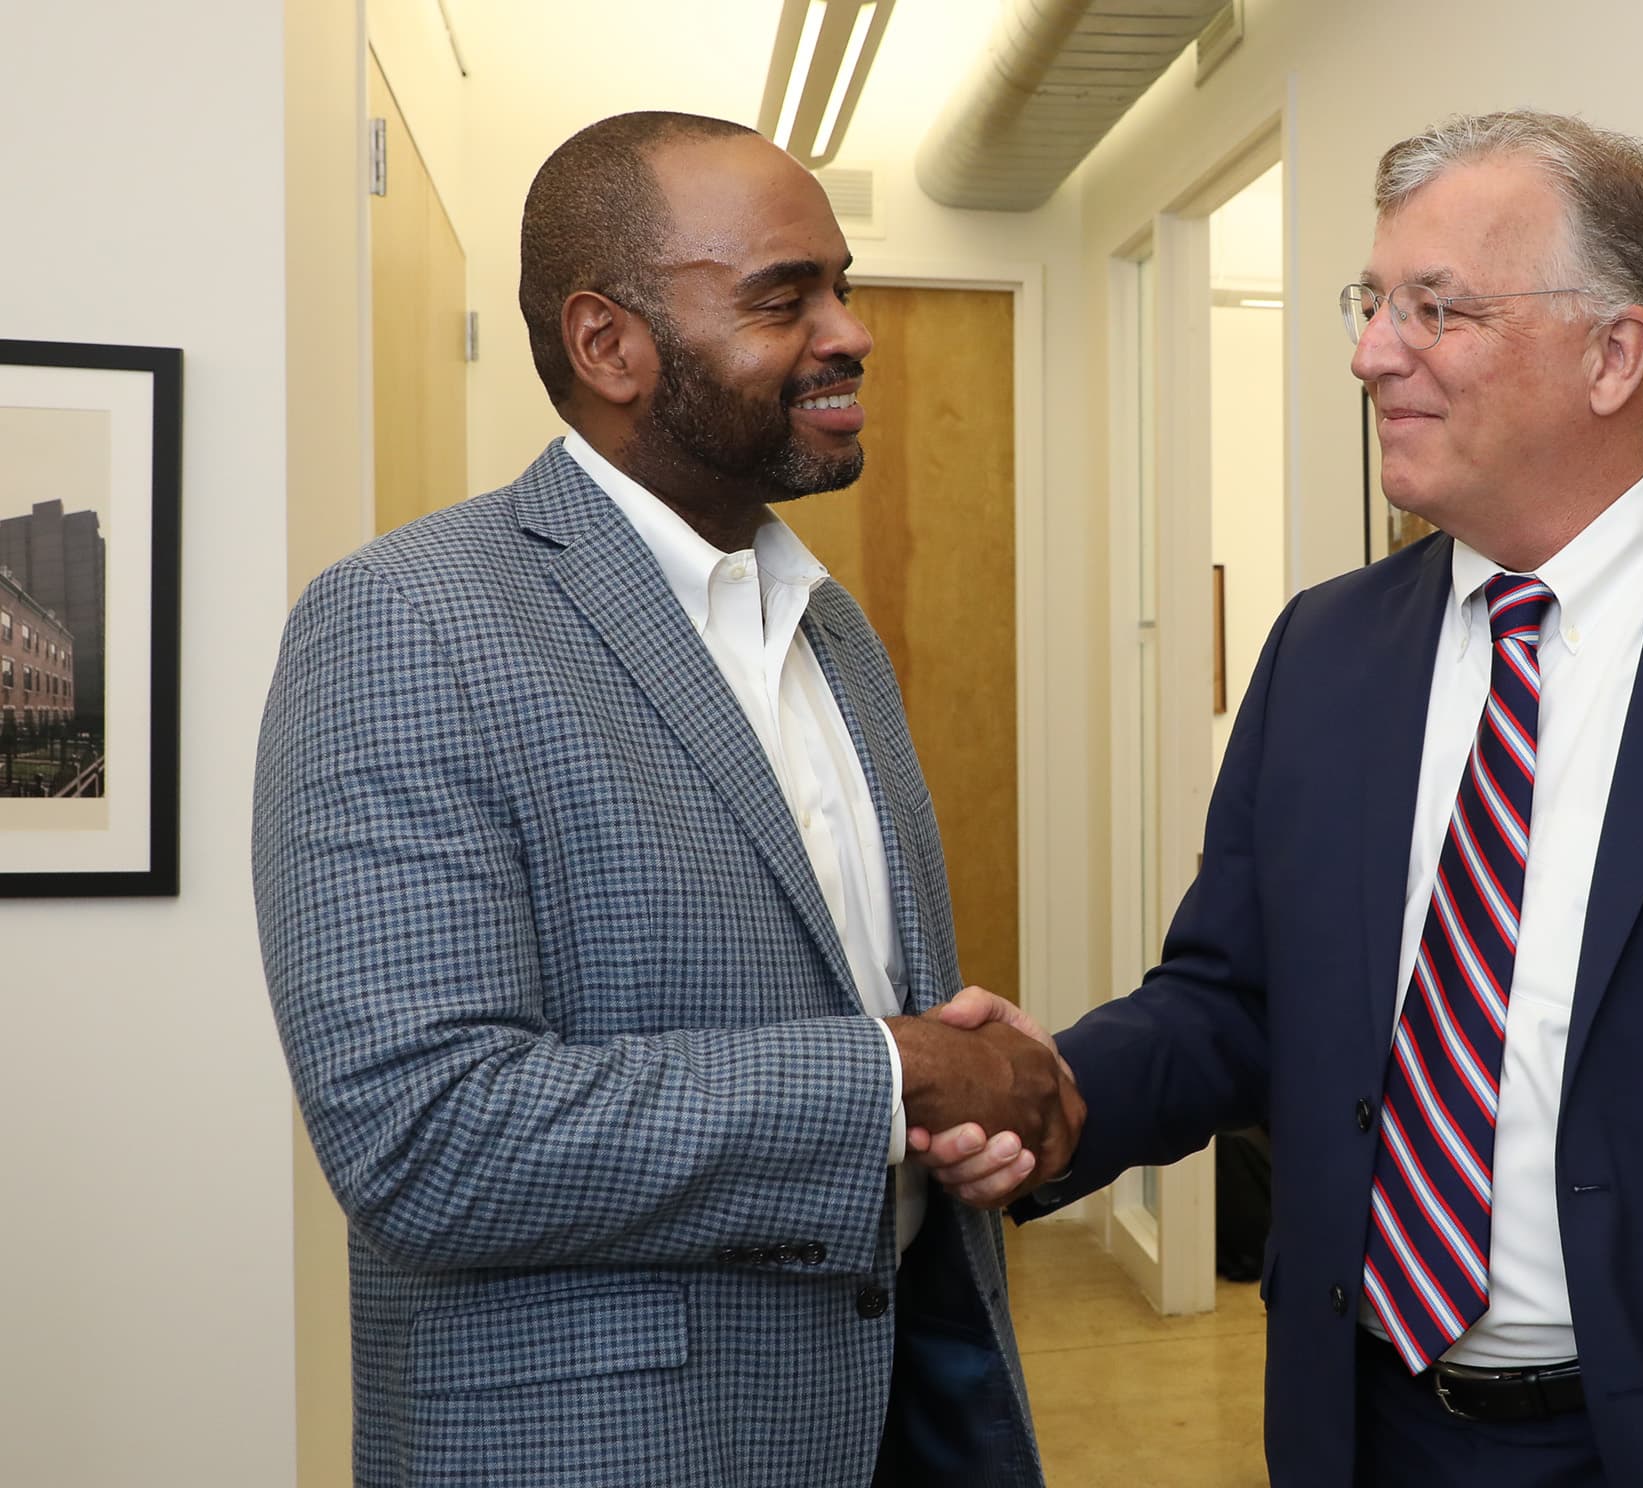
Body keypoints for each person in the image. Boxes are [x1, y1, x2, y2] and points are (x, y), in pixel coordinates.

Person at [923, 111, 1643, 1487]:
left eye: (1436, 309)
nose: (1370, 353)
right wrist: (1058, 1092)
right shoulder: (1326, 650)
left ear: (1615, 353)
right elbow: (1234, 997)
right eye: (1370, 303)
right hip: (1372, 1431)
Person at [253, 111, 1075, 1488]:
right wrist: (901, 1075)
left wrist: (973, 1116)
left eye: (842, 286)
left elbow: (849, 1001)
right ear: (607, 344)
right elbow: (423, 1136)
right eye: (783, 299)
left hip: (896, 1410)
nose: (852, 333)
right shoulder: (406, 623)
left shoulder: (829, 629)